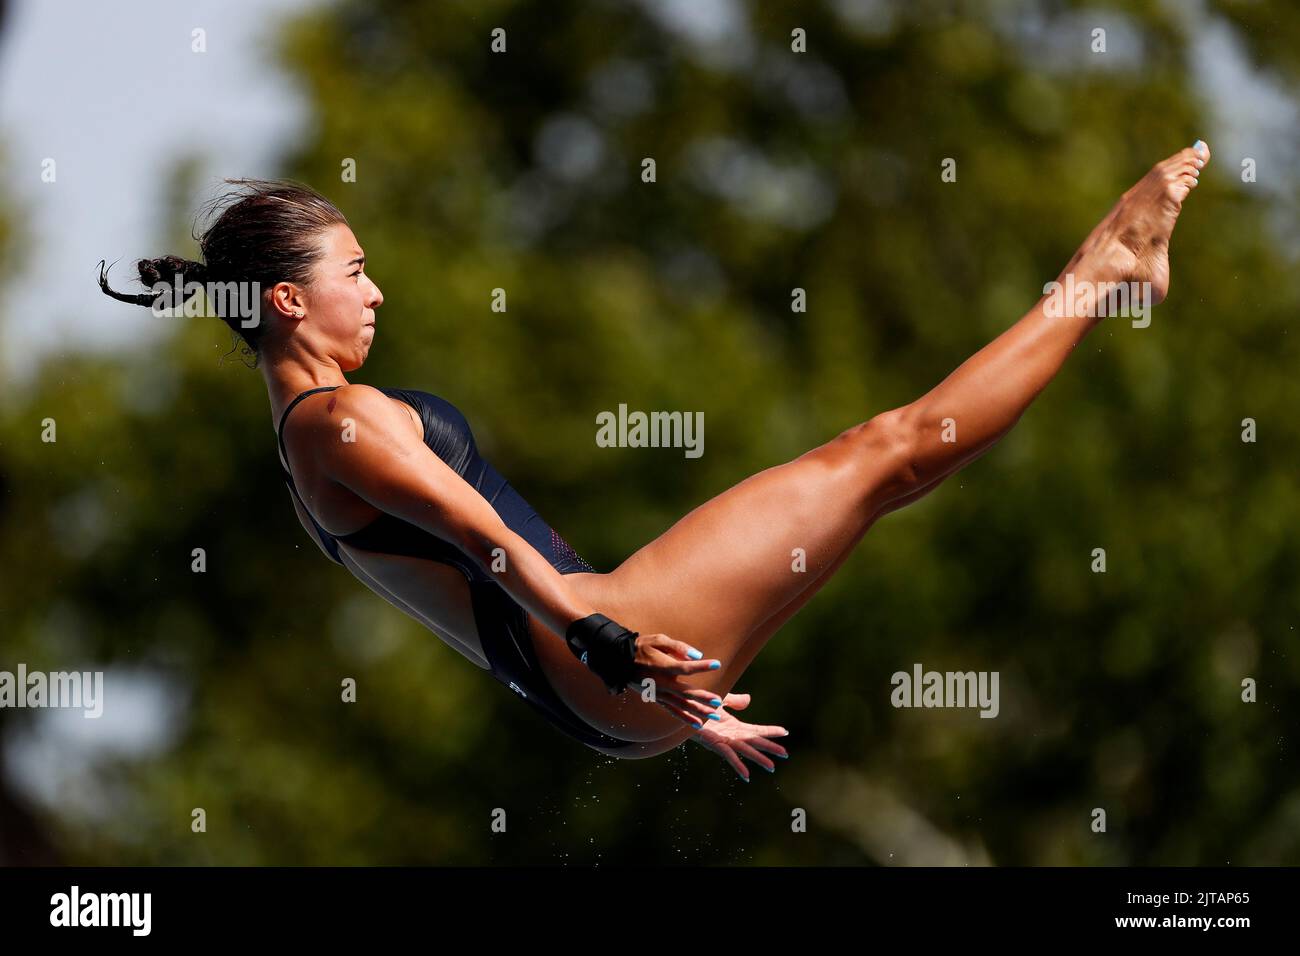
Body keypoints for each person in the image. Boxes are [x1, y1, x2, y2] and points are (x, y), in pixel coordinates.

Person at [99, 142, 1210, 780]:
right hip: (605, 647)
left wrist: (652, 695)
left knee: (884, 477)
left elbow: (473, 588)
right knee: (889, 449)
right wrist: (612, 642)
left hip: (603, 684)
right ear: (289, 299)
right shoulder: (333, 423)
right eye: (356, 270)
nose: (377, 289)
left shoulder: (300, 445)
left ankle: (1102, 271)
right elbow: (483, 543)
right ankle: (1105, 262)